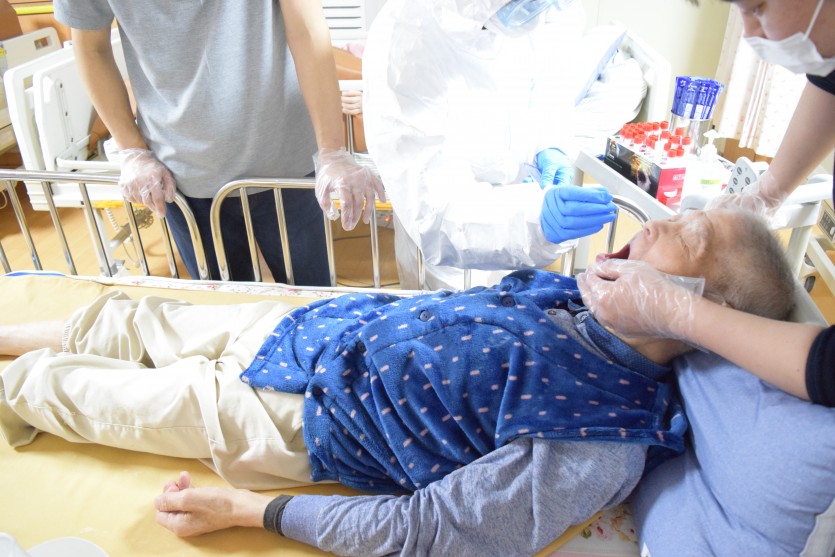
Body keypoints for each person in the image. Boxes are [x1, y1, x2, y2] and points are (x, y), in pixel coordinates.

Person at [0, 208, 796, 555]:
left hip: (295, 418)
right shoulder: (577, 298)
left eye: (687, 234)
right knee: (134, 318)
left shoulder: (599, 439)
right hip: (307, 328)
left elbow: (427, 532)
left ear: (700, 306)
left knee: (86, 396)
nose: (653, 222)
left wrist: (248, 509)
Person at [579, 0, 835, 408]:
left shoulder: (599, 408)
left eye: (757, 6)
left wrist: (679, 314)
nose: (748, 33)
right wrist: (768, 191)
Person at [54, 1, 384, 284]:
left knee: (313, 298)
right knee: (225, 306)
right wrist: (132, 150)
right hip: (182, 168)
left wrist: (332, 150)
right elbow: (90, 47)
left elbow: (307, 30)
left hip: (286, 158)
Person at [361, 0, 618, 291]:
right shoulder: (406, 38)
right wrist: (535, 219)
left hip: (523, 206)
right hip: (450, 258)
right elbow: (434, 211)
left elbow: (548, 86)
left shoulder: (546, 13)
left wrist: (550, 143)